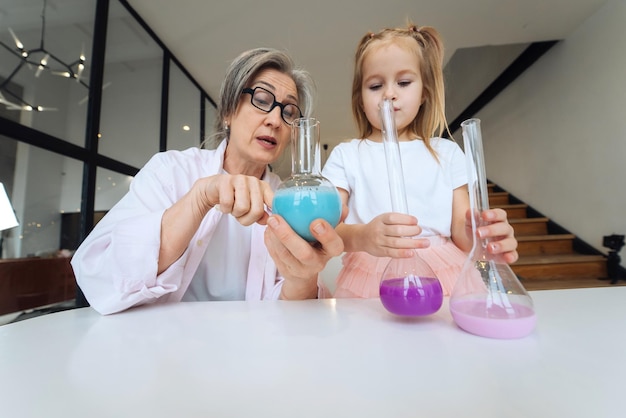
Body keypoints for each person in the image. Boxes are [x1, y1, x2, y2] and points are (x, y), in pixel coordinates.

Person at [71, 47, 345, 315]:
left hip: (251, 350)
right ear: (227, 111)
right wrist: (199, 200)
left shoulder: (287, 202)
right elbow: (97, 274)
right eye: (262, 100)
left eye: (288, 112)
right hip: (163, 350)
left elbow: (289, 312)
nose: (275, 119)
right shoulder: (170, 171)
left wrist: (301, 279)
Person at [321, 23, 519, 298]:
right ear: (360, 99)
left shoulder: (447, 153)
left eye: (403, 82)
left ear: (424, 92)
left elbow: (462, 235)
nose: (389, 94)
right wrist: (364, 236)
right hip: (370, 279)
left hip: (442, 272)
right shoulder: (347, 155)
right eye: (375, 85)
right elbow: (327, 230)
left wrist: (483, 233)